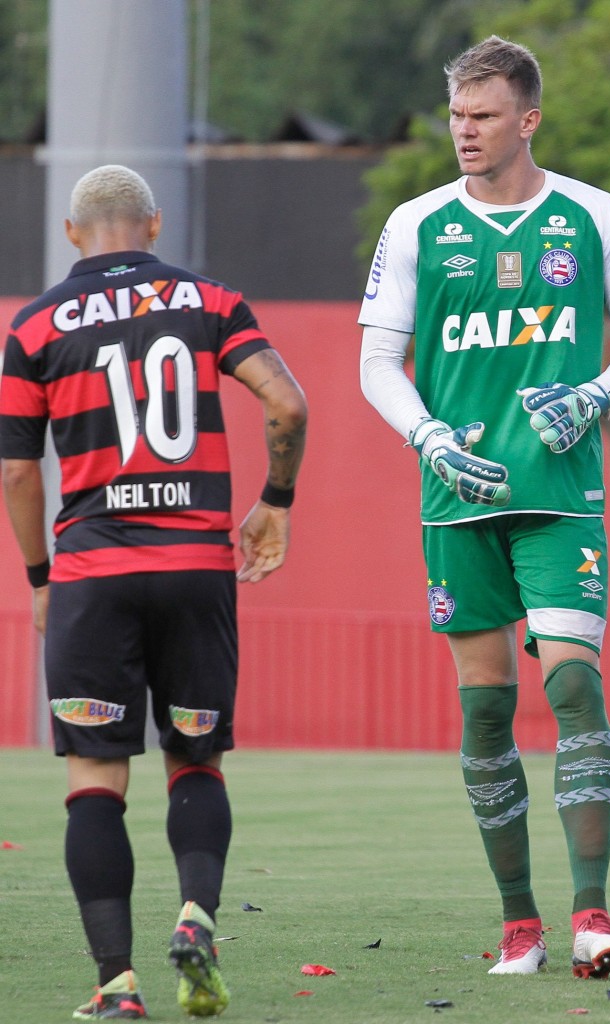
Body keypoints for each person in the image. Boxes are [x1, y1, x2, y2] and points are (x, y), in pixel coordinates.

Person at [359, 35, 610, 978]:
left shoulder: (590, 213)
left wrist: (594, 396)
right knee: (485, 710)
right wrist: (429, 436)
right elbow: (375, 361)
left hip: (560, 496)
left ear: (527, 118)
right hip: (455, 498)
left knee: (572, 683)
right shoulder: (414, 224)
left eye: (482, 115)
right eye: (456, 115)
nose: (464, 132)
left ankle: (591, 916)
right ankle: (519, 926)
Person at [0, 164, 307, 1018]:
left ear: (73, 234)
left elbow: (19, 470)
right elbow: (286, 403)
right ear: (154, 226)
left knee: (95, 778)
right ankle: (198, 919)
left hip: (92, 578)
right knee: (195, 761)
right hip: (195, 572)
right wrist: (274, 504)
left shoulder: (31, 326)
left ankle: (117, 985)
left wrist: (38, 577)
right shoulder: (212, 302)